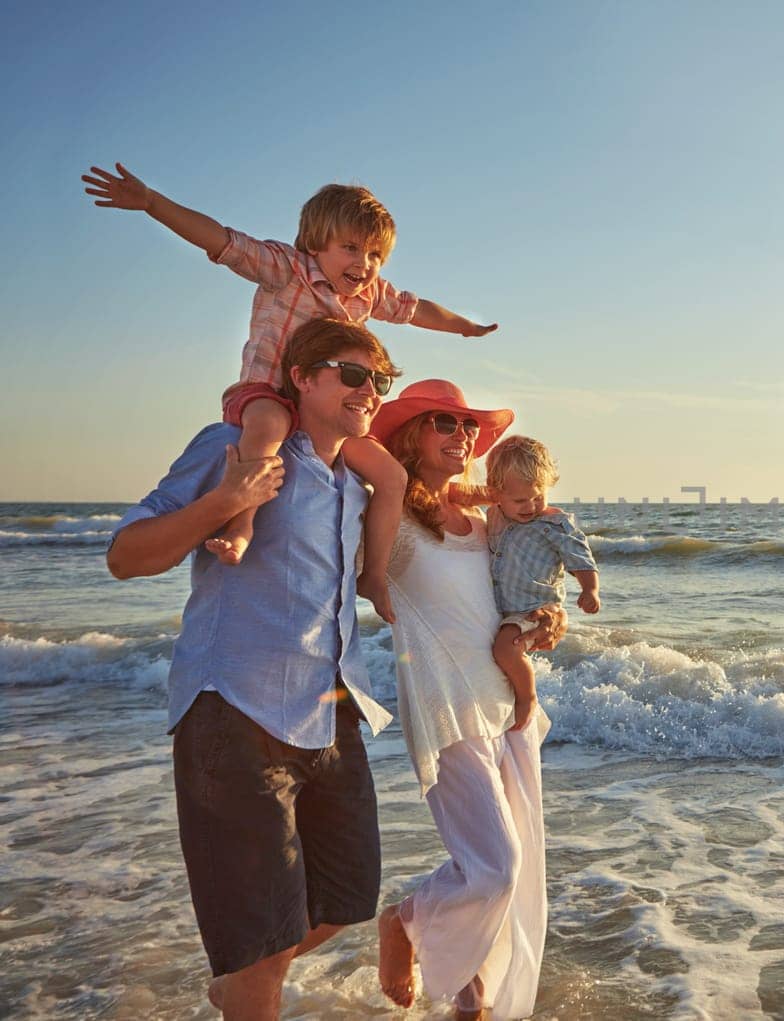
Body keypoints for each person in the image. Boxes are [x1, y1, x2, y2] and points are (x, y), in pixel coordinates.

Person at [106, 318, 400, 1021]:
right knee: (259, 944)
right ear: (302, 375)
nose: (368, 390)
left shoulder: (352, 483)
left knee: (349, 897)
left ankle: (238, 984)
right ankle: (247, 984)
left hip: (330, 712)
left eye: (379, 381)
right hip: (233, 713)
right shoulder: (234, 448)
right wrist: (226, 502)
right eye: (351, 374)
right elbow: (125, 553)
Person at [83, 162, 498, 623]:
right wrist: (152, 203)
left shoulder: (369, 295)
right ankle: (242, 524)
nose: (364, 265)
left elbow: (417, 309)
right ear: (316, 242)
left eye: (375, 255)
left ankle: (374, 575)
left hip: (323, 419)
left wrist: (464, 326)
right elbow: (221, 239)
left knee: (392, 477)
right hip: (266, 394)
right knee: (267, 428)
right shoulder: (288, 269)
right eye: (351, 248)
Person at [366, 379, 566, 1020]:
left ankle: (470, 1001)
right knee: (494, 868)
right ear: (410, 437)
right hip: (445, 706)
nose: (463, 435)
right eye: (443, 423)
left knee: (510, 867)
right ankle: (403, 921)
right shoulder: (393, 518)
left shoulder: (485, 523)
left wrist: (547, 617)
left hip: (503, 706)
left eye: (468, 425)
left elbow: (516, 589)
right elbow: (348, 572)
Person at [483, 436, 602, 688]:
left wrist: (590, 589)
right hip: (502, 612)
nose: (530, 506)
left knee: (506, 650)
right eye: (519, 500)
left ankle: (527, 696)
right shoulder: (493, 515)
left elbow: (580, 557)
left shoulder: (553, 525)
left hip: (534, 608)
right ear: (496, 494)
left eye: (538, 497)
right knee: (502, 653)